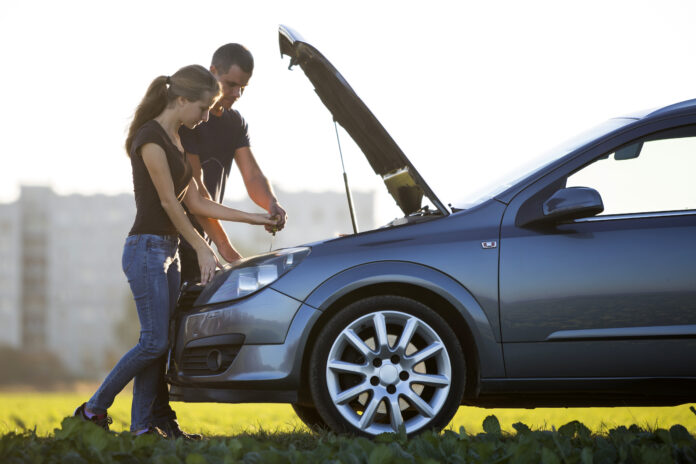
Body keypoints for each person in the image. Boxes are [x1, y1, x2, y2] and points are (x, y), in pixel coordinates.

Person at [73, 64, 278, 437]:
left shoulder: (178, 139)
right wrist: (201, 247)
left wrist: (255, 217)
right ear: (181, 99)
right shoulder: (150, 139)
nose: (205, 117)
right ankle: (92, 410)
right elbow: (170, 204)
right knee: (154, 341)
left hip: (165, 251)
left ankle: (141, 429)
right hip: (146, 249)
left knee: (159, 344)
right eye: (202, 108)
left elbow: (197, 202)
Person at [177, 43, 288, 285]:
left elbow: (252, 176)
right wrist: (226, 249)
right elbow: (196, 193)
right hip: (175, 242)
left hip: (205, 243)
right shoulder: (189, 119)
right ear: (213, 71)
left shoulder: (235, 122)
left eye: (243, 87)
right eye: (231, 84)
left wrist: (271, 203)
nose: (237, 94)